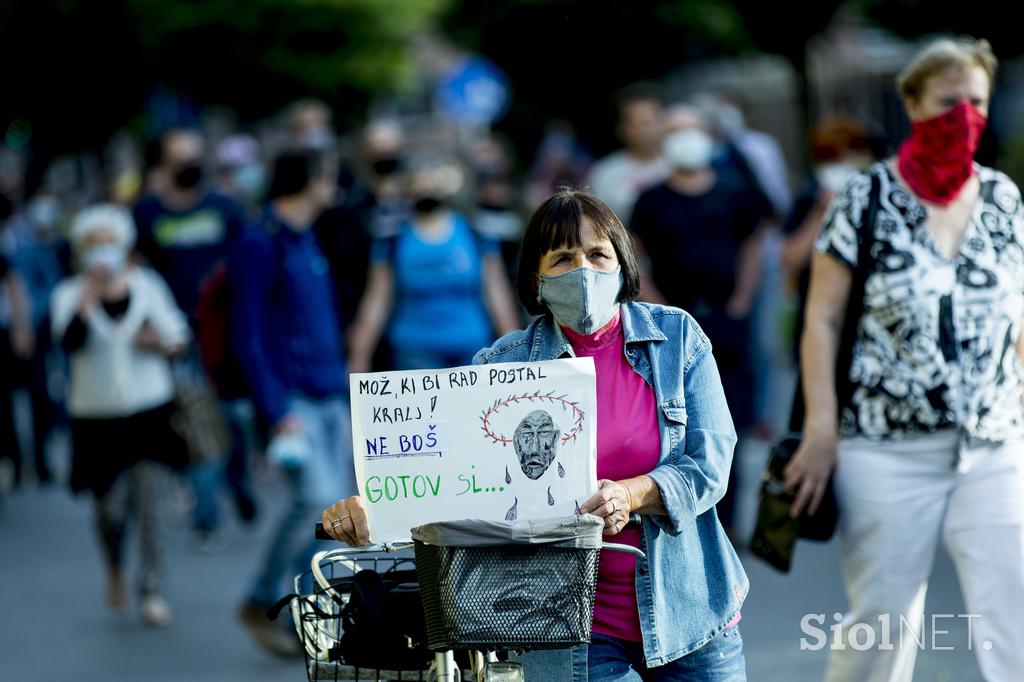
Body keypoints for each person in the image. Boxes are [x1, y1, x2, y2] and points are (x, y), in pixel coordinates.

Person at [324, 189, 749, 680]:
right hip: (561, 624)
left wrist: (633, 494)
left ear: (622, 263)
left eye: (597, 254)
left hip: (690, 611)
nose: (583, 271)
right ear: (537, 278)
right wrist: (370, 510)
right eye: (563, 259)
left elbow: (711, 463)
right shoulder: (501, 365)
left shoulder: (677, 339)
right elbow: (447, 476)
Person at [786, 37, 1024, 682]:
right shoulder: (865, 199)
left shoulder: (1004, 198)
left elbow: (1017, 315)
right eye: (950, 102)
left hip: (996, 444)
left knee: (1015, 623)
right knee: (883, 629)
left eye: (977, 101)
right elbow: (822, 318)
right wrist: (822, 429)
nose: (966, 116)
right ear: (913, 105)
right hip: (886, 451)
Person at [232, 148, 356, 657]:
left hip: (329, 394)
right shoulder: (260, 243)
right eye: (327, 172)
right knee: (315, 502)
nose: (335, 182)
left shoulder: (308, 238)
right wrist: (275, 409)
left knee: (337, 513)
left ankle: (304, 616)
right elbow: (248, 335)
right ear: (305, 178)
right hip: (294, 401)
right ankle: (263, 597)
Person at [629, 106, 766, 538]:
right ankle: (687, 515)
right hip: (673, 328)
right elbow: (633, 257)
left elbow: (755, 243)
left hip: (726, 321)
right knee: (679, 425)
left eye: (690, 130)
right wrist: (660, 309)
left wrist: (743, 299)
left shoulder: (734, 191)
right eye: (673, 132)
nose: (683, 139)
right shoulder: (650, 200)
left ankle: (728, 526)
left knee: (731, 426)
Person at [50, 204, 190, 626]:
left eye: (110, 243)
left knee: (154, 504)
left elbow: (179, 335)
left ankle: (151, 588)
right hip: (97, 419)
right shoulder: (68, 295)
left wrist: (160, 340)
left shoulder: (147, 285)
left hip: (150, 413)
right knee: (109, 509)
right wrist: (89, 298)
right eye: (94, 245)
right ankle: (114, 567)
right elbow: (68, 342)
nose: (103, 252)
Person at [133, 127, 253, 546]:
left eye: (194, 155)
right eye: (180, 157)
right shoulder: (147, 213)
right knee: (199, 424)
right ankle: (207, 516)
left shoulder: (226, 208)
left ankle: (238, 483)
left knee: (237, 420)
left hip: (227, 336)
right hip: (180, 339)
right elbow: (136, 271)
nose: (189, 164)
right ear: (164, 163)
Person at [347, 155, 520, 373]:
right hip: (414, 353)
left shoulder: (475, 233)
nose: (427, 189)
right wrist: (358, 357)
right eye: (419, 182)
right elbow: (377, 301)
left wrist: (515, 353)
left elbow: (497, 294)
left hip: (473, 351)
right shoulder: (393, 239)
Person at [779, 116, 873, 430]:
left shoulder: (877, 198)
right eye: (833, 157)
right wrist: (823, 211)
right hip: (818, 317)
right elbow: (790, 258)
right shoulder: (809, 199)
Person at [585, 83, 669, 221]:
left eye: (648, 122)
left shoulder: (681, 164)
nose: (643, 130)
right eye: (635, 124)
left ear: (663, 122)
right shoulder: (605, 173)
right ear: (620, 129)